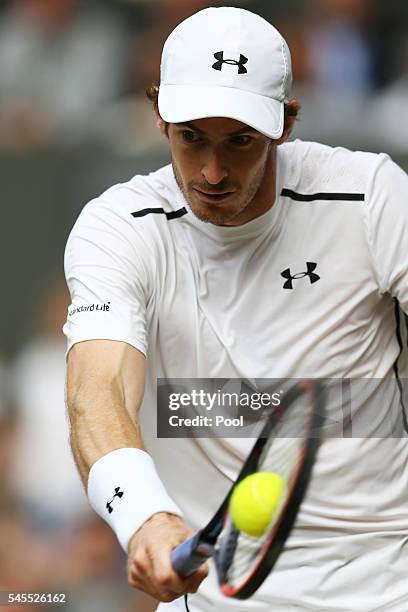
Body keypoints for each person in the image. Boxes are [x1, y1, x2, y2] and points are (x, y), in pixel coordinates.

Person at [64, 7, 408, 612]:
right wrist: (143, 517)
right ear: (159, 116)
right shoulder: (118, 227)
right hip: (213, 595)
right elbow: (98, 391)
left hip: (387, 581)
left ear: (283, 125)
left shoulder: (371, 197)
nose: (212, 171)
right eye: (191, 136)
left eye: (240, 141)